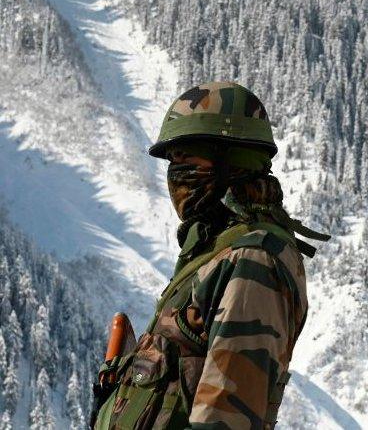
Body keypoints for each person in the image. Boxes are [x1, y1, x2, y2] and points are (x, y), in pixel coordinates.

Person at [92, 82, 328, 429]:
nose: (176, 173)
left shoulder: (254, 259)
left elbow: (225, 418)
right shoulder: (216, 251)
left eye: (187, 158)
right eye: (173, 162)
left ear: (231, 160)